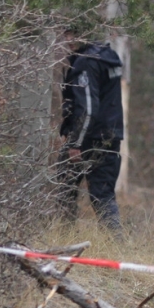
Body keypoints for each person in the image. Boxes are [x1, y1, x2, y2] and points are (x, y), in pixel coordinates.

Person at [57, 29, 124, 234]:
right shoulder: (106, 56)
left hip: (89, 138)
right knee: (98, 195)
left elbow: (87, 108)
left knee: (70, 188)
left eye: (73, 35)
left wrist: (76, 143)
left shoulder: (86, 62)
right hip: (110, 136)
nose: (68, 40)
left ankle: (65, 237)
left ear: (85, 33)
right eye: (66, 34)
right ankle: (65, 238)